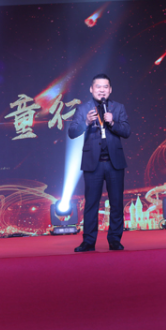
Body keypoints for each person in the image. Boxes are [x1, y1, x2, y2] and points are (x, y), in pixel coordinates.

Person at [68, 74, 130, 252]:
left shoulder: (118, 108)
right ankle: (88, 242)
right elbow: (72, 132)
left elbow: (126, 131)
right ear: (91, 89)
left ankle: (115, 240)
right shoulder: (83, 109)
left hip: (114, 163)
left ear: (110, 90)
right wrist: (86, 122)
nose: (102, 90)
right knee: (91, 204)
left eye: (105, 87)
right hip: (92, 163)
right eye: (98, 86)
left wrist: (113, 122)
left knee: (116, 203)